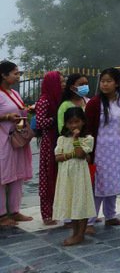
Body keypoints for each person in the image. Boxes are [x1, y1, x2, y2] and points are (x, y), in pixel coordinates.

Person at [84, 68, 120, 227]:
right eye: (103, 81)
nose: (104, 84)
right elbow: (88, 128)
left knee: (114, 181)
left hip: (119, 148)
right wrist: (88, 151)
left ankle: (110, 216)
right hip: (101, 150)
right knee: (99, 183)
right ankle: (90, 221)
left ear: (117, 83)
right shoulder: (94, 103)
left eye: (109, 81)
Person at [52, 107, 95, 246]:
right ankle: (75, 232)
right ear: (65, 124)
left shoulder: (88, 138)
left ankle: (80, 234)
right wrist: (70, 155)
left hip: (80, 175)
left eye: (77, 122)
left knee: (80, 201)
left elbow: (81, 154)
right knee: (72, 202)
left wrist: (76, 139)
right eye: (70, 123)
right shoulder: (62, 139)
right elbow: (57, 157)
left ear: (83, 122)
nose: (74, 126)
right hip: (66, 176)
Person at [0, 61, 33, 227]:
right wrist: (6, 118)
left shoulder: (13, 93)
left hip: (16, 138)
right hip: (2, 139)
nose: (18, 76)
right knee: (2, 176)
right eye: (15, 73)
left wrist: (28, 110)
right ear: (3, 75)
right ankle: (2, 215)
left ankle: (15, 210)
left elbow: (20, 110)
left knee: (17, 175)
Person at [34, 70, 63, 225]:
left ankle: (59, 210)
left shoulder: (59, 99)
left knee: (59, 176)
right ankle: (47, 214)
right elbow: (40, 122)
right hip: (49, 142)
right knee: (48, 176)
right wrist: (57, 118)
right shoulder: (45, 100)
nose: (63, 85)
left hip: (59, 140)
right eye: (61, 82)